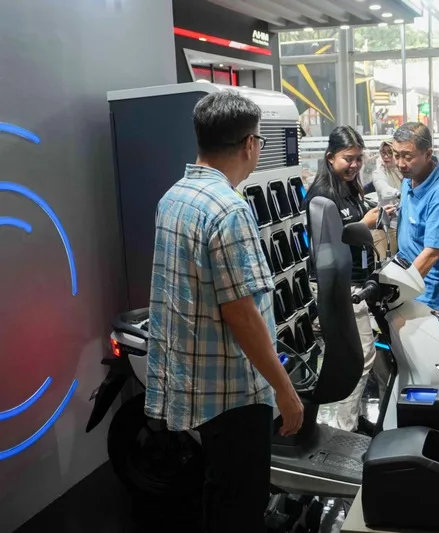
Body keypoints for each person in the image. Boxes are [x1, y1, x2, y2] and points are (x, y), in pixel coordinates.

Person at [147, 91, 303, 533]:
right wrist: (285, 391)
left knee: (219, 492)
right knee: (239, 503)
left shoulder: (173, 197)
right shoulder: (230, 210)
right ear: (250, 144)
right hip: (236, 392)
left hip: (195, 379)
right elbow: (242, 315)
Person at [303, 125, 394, 432]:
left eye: (358, 159)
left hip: (356, 283)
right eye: (347, 159)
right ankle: (346, 428)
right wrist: (363, 224)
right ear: (330, 157)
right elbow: (327, 243)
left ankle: (347, 422)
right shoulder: (322, 195)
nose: (354, 165)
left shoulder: (350, 188)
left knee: (360, 356)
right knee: (361, 357)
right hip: (339, 286)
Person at [393, 122, 439, 315]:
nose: (400, 163)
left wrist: (400, 289)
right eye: (396, 155)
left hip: (434, 295)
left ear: (428, 154)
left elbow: (433, 253)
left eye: (407, 156)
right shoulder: (409, 178)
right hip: (413, 284)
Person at [372, 140, 403, 258]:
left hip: (405, 227)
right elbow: (383, 189)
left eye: (390, 152)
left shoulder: (403, 171)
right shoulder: (379, 172)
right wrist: (400, 194)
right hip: (388, 227)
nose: (386, 156)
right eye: (383, 152)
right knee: (385, 266)